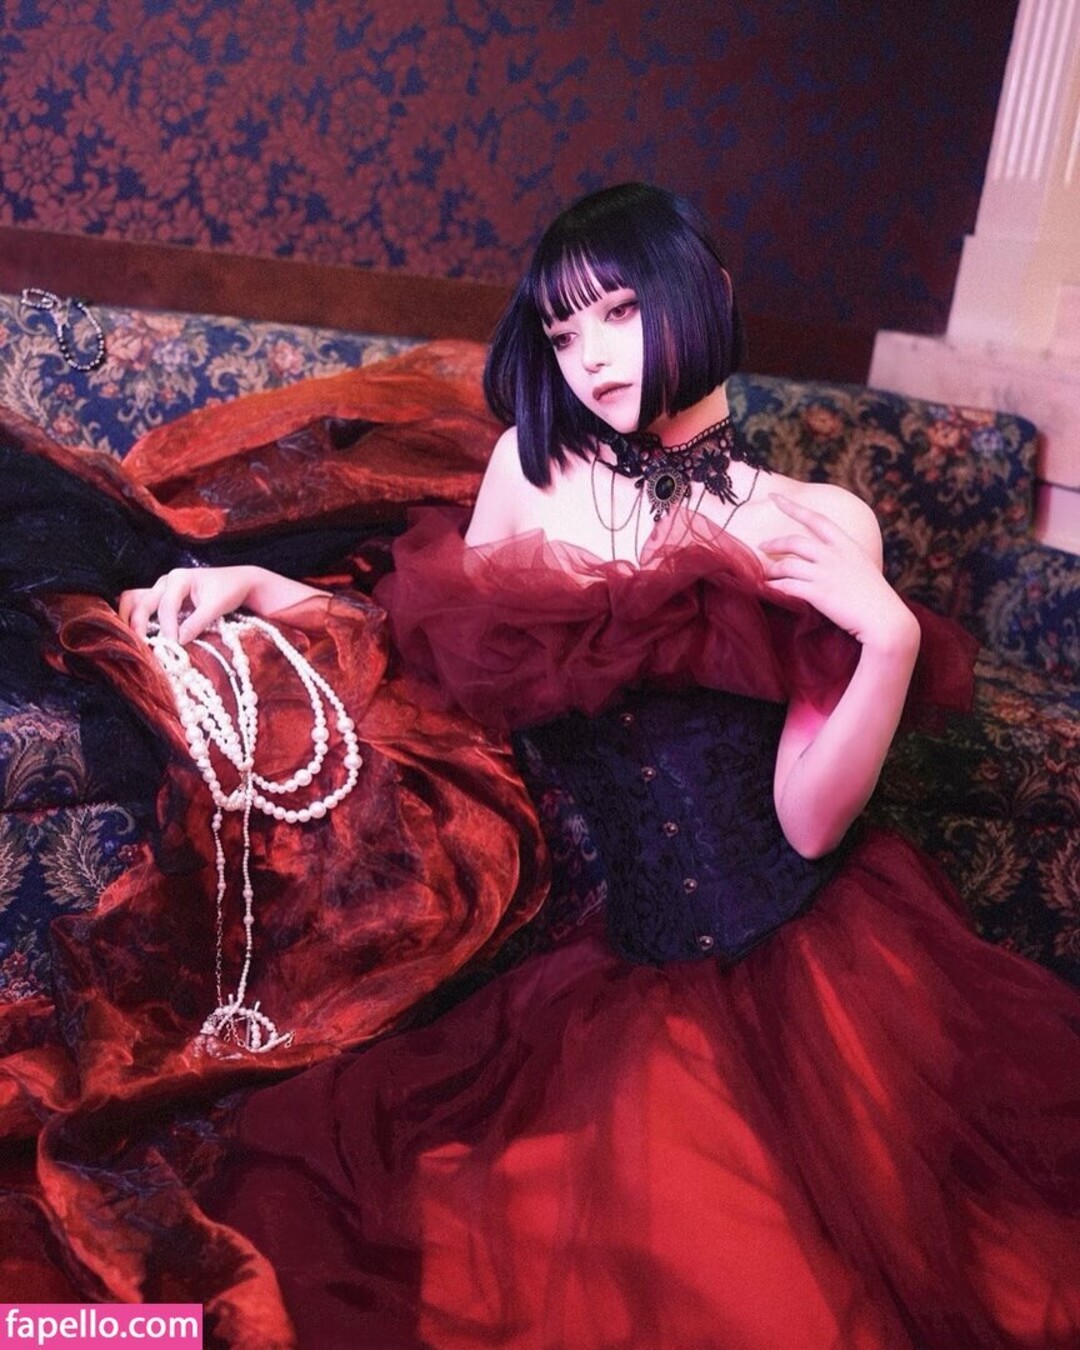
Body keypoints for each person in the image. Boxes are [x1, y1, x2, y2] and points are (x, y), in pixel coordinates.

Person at [103, 182, 1079, 1347]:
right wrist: (270, 590)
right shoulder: (532, 472)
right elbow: (432, 656)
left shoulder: (817, 520)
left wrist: (892, 641)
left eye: (619, 311)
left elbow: (809, 825)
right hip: (626, 968)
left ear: (706, 295)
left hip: (827, 963)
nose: (592, 357)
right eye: (564, 334)